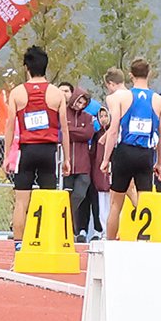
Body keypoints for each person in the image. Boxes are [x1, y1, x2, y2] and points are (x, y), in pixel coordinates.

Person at [5, 45, 69, 247]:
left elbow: (9, 126)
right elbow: (64, 129)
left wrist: (7, 156)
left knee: (21, 202)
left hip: (27, 150)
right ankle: (47, 243)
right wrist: (67, 158)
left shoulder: (17, 93)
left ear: (27, 67)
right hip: (48, 151)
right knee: (48, 200)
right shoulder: (57, 94)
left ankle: (19, 245)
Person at [100, 60, 161, 241]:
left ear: (130, 75)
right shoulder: (158, 100)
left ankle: (110, 243)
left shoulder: (122, 98)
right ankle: (145, 240)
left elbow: (113, 131)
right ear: (149, 73)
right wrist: (160, 163)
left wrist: (105, 159)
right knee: (145, 201)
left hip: (124, 152)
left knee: (116, 203)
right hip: (146, 154)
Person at [61, 80, 100, 240]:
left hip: (83, 164)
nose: (80, 105)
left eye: (83, 103)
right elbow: (61, 132)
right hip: (66, 163)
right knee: (66, 193)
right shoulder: (63, 113)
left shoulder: (88, 117)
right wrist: (75, 131)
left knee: (80, 194)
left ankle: (68, 219)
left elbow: (88, 134)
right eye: (78, 101)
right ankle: (67, 227)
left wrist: (69, 130)